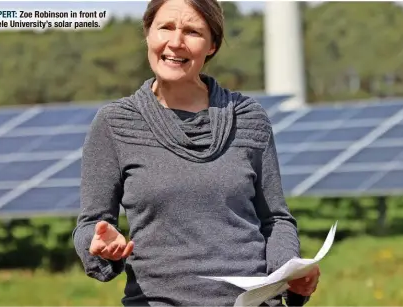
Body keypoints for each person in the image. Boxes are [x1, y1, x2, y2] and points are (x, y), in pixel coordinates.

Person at [71, 0, 320, 305]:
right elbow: (89, 227)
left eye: (192, 32)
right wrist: (98, 245)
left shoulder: (249, 117)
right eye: (165, 27)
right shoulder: (115, 124)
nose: (176, 42)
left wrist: (289, 274)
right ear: (148, 33)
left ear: (212, 45)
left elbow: (276, 220)